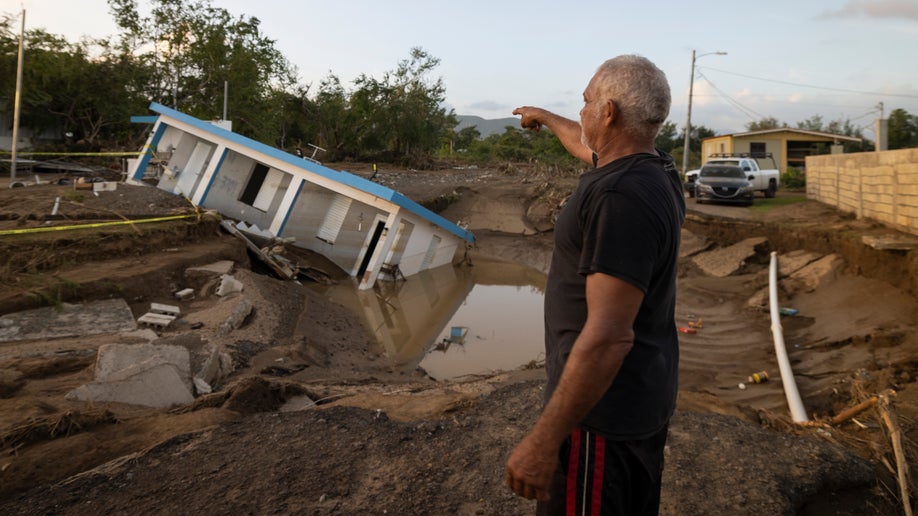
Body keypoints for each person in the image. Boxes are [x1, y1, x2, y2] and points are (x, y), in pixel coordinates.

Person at [505, 55, 685, 515]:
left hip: (599, 423)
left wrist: (545, 441)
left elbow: (608, 337)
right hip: (638, 402)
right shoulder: (655, 168)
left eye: (585, 102)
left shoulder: (618, 196)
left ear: (608, 113)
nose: (580, 111)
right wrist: (545, 117)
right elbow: (586, 145)